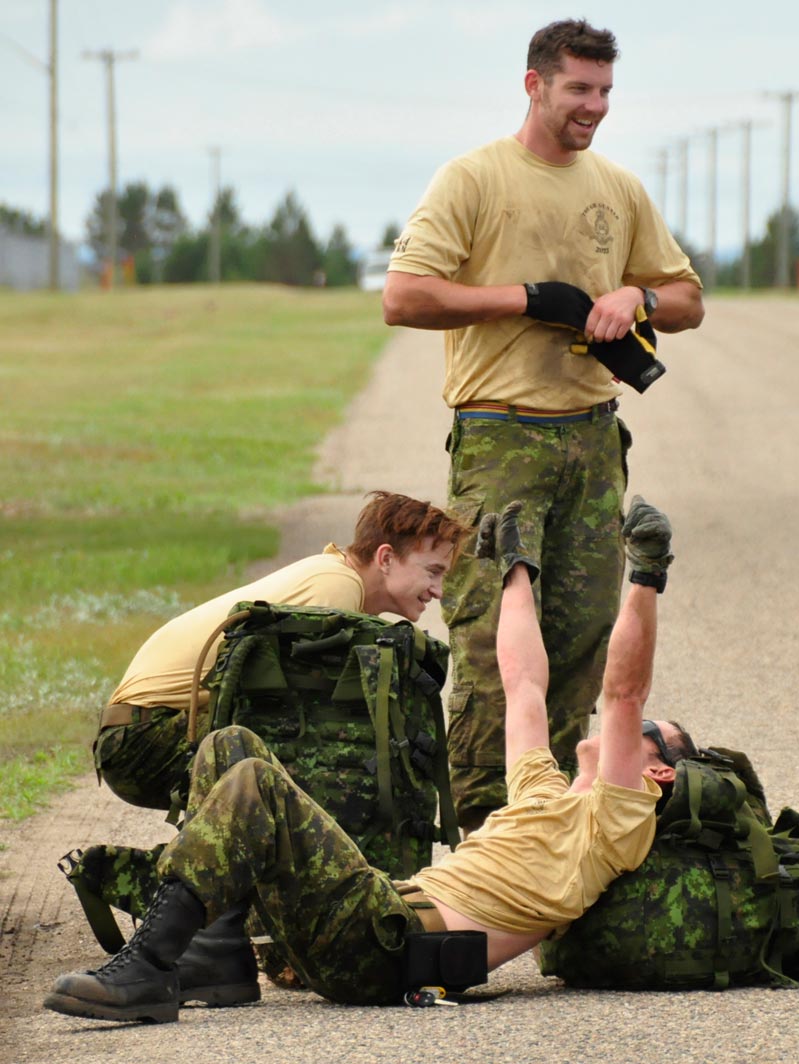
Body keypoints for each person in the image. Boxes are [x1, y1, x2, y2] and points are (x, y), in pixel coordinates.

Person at [44, 495, 696, 1023]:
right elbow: (523, 683)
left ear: (657, 773)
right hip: (375, 921)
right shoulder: (543, 797)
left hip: (392, 947)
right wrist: (517, 571)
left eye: (647, 732)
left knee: (253, 783)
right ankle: (215, 955)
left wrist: (645, 576)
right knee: (229, 746)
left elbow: (622, 691)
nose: (629, 724)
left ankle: (149, 967)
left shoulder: (613, 826)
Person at [381, 18, 704, 832]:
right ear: (535, 84)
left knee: (580, 641)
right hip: (500, 438)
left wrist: (639, 298)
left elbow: (690, 297)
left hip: (594, 438)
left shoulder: (618, 188)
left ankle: (554, 831)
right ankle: (483, 842)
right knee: (495, 651)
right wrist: (531, 298)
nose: (593, 106)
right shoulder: (475, 179)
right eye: (578, 90)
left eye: (604, 91)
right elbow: (405, 296)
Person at [93, 490, 470, 813]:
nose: (438, 590)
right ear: (386, 558)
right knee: (325, 758)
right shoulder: (336, 590)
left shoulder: (334, 576)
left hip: (143, 732)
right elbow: (302, 724)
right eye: (432, 571)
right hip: (142, 742)